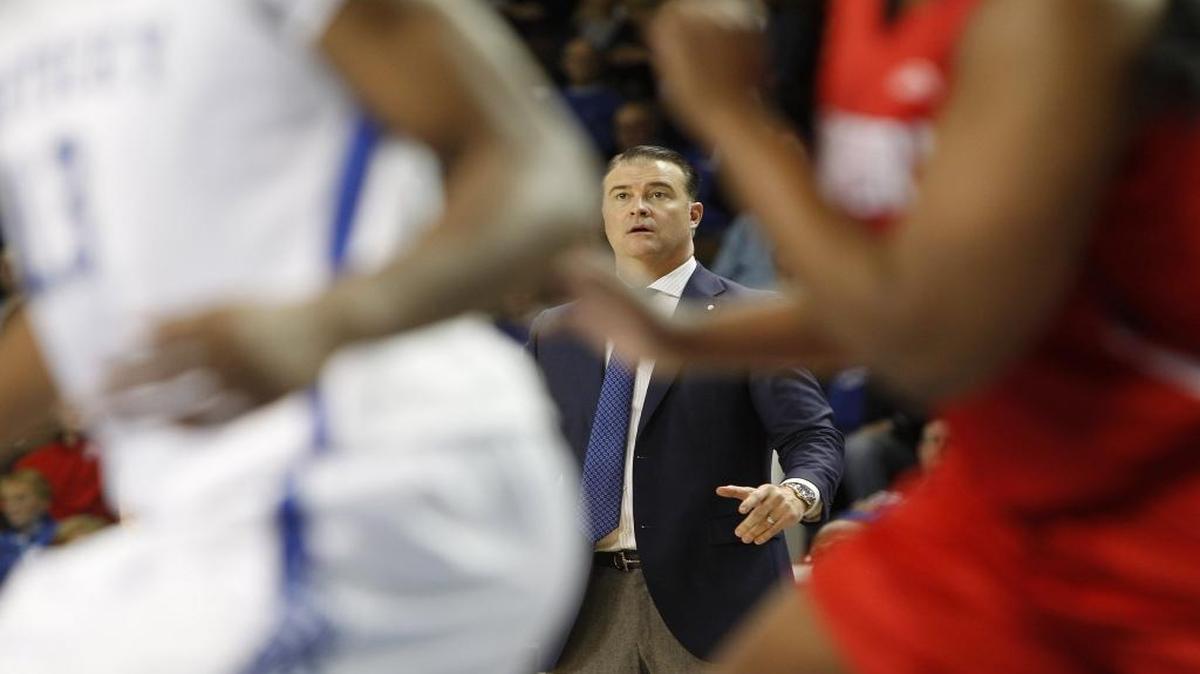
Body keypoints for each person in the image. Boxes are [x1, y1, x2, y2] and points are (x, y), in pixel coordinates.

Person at [565, 0, 1200, 672]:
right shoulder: (848, 22)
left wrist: (730, 115)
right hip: (997, 492)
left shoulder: (1054, 17)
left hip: (1152, 509)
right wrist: (679, 340)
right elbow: (891, 287)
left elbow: (934, 336)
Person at [0, 1, 597, 672]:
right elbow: (83, 310)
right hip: (201, 522)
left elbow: (539, 167)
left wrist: (326, 323)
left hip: (374, 477)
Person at [528, 145, 842, 672]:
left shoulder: (750, 317)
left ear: (693, 214)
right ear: (602, 215)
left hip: (715, 599)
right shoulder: (557, 330)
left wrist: (796, 493)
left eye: (657, 194)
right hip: (583, 602)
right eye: (621, 196)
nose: (638, 208)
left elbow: (813, 436)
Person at [0, 469, 57, 585]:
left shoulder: (62, 537)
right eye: (6, 500)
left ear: (44, 501)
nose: (12, 508)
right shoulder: (2, 544)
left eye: (20, 498)